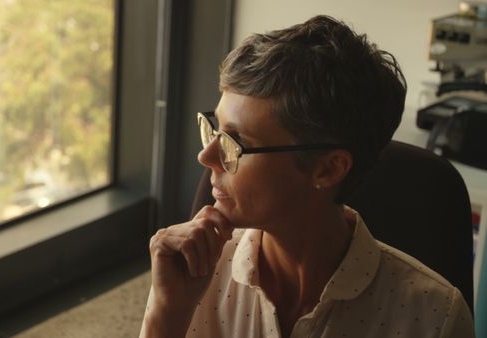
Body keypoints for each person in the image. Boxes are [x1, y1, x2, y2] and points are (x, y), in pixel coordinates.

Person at [139, 15, 475, 338]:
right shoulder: (191, 274)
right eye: (214, 131)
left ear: (328, 169)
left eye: (234, 142)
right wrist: (167, 312)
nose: (206, 156)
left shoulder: (435, 318)